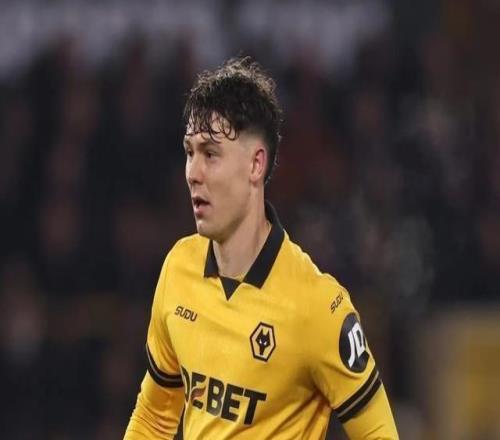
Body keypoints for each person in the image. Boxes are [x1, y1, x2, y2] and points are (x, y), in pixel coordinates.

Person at [124, 57, 398, 439]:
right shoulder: (178, 268)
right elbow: (154, 418)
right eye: (189, 152)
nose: (193, 173)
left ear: (256, 165)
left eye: (210, 154)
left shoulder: (317, 306)